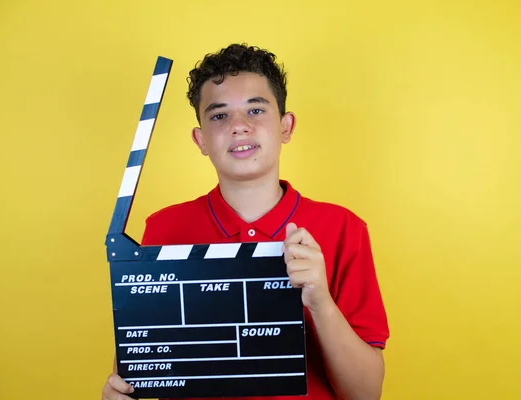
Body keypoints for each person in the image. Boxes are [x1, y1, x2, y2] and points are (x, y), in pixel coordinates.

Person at [102, 43, 389, 400]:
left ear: (286, 126)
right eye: (219, 116)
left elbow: (365, 394)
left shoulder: (343, 228)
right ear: (200, 139)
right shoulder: (163, 229)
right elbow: (139, 364)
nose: (239, 127)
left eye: (256, 110)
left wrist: (321, 302)